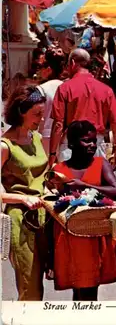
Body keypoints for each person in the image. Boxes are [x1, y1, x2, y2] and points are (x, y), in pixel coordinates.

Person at [50, 120, 116, 301]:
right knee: (77, 289)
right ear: (73, 143)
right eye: (86, 141)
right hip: (68, 239)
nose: (92, 145)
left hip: (94, 237)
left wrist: (83, 184)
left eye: (94, 141)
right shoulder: (59, 170)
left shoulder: (100, 164)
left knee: (90, 290)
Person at [1, 85, 48, 300]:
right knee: (30, 287)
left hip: (44, 215)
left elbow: (40, 174)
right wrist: (22, 198)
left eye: (43, 113)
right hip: (20, 219)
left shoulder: (35, 137)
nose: (41, 118)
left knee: (41, 282)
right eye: (37, 114)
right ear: (21, 111)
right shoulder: (5, 146)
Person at [48, 48, 116, 167]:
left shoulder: (64, 88)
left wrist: (52, 154)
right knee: (94, 183)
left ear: (72, 63)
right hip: (96, 145)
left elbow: (58, 125)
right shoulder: (106, 90)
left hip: (70, 146)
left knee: (69, 183)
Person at [36, 44, 67, 155]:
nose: (38, 72)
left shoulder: (40, 90)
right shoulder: (67, 88)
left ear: (48, 69)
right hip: (64, 139)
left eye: (40, 67)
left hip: (44, 138)